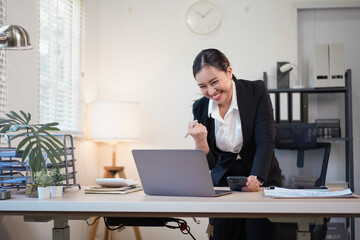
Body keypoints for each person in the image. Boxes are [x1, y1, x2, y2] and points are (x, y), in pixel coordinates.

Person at [187, 48, 282, 240]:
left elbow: (266, 140)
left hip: (261, 176)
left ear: (229, 72)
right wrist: (200, 141)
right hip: (224, 184)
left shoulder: (256, 92)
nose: (211, 91)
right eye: (203, 86)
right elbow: (210, 164)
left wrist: (258, 177)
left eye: (214, 82)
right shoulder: (200, 108)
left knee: (259, 234)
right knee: (223, 235)